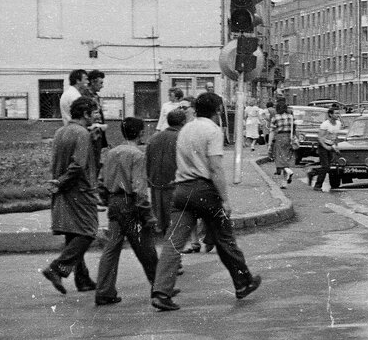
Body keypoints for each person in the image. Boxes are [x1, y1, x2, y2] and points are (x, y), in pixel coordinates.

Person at [150, 93, 262, 312]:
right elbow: (216, 168)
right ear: (218, 111)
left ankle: (161, 292)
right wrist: (225, 199)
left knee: (173, 242)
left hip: (181, 190)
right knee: (225, 239)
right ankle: (243, 283)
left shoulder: (185, 129)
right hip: (205, 190)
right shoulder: (213, 130)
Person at [93, 117, 158, 306]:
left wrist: (107, 200)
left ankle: (104, 291)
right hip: (130, 205)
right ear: (140, 133)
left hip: (114, 202)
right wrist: (147, 214)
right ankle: (160, 287)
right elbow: (139, 188)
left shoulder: (111, 153)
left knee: (111, 249)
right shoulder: (137, 155)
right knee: (146, 248)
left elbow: (102, 181)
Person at [40, 96, 100, 295]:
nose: (97, 116)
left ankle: (82, 279)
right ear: (85, 114)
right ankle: (57, 268)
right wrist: (63, 181)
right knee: (88, 231)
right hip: (79, 190)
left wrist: (58, 182)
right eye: (95, 112)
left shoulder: (61, 131)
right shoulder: (82, 133)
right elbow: (78, 165)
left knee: (73, 234)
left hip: (63, 191)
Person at [147, 107, 185, 240]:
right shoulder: (181, 137)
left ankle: (165, 238)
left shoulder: (154, 138)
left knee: (159, 214)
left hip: (155, 182)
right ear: (182, 122)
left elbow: (147, 160)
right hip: (174, 183)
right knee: (174, 215)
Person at [311, 106, 345, 192]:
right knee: (325, 166)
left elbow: (336, 136)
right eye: (336, 113)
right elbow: (320, 137)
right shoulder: (325, 124)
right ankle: (318, 186)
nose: (338, 115)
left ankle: (313, 172)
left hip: (331, 145)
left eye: (338, 113)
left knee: (329, 167)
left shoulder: (338, 123)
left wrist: (336, 146)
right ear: (330, 114)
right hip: (323, 146)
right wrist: (325, 147)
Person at [84, 69, 109, 171]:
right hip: (91, 133)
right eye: (100, 83)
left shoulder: (95, 96)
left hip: (98, 133)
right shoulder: (85, 96)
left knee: (96, 161)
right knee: (91, 162)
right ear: (93, 82)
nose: (102, 86)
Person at [268, 98, 297, 187]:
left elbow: (272, 131)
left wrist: (269, 144)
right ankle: (284, 183)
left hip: (280, 137)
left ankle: (288, 171)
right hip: (289, 138)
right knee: (287, 158)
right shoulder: (291, 117)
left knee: (280, 158)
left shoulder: (275, 118)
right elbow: (294, 128)